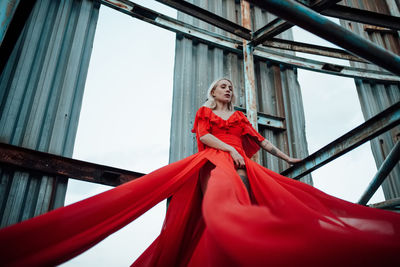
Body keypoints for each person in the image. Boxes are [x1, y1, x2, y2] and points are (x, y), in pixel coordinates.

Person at [0, 78, 400, 267]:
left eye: (230, 88)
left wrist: (290, 159)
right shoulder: (206, 112)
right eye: (223, 86)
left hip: (244, 166)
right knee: (223, 198)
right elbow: (206, 140)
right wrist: (231, 150)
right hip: (214, 162)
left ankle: (247, 240)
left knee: (265, 195)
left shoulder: (240, 116)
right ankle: (239, 233)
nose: (229, 90)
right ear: (213, 91)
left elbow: (261, 143)